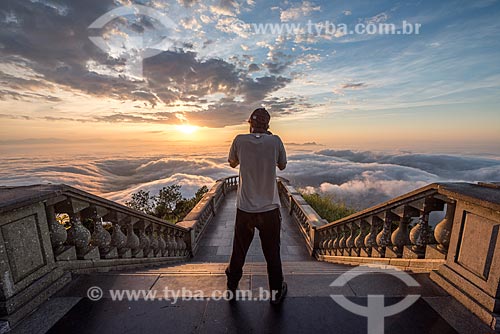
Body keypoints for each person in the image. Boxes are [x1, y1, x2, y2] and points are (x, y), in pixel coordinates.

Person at [225, 107, 288, 305]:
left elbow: (232, 164)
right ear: (268, 125)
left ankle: (232, 285)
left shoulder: (239, 140)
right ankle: (276, 293)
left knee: (239, 250)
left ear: (250, 124)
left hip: (245, 209)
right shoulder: (276, 141)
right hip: (270, 209)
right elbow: (282, 165)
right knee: (272, 253)